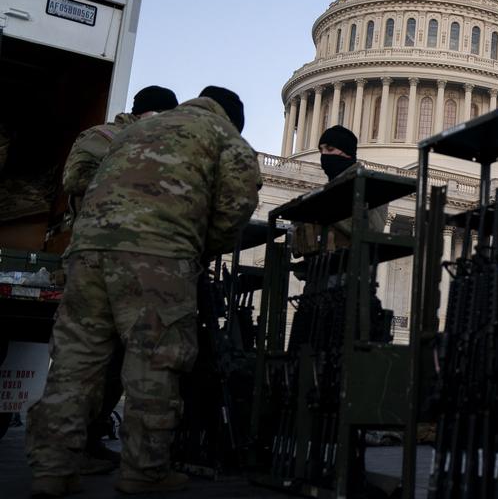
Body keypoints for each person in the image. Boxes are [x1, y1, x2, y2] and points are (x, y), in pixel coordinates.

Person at [25, 87, 261, 497]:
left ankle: (52, 470)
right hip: (155, 256)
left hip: (87, 253)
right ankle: (144, 471)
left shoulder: (136, 130)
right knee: (154, 362)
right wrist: (202, 247)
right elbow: (234, 209)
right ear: (232, 117)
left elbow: (86, 183)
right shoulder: (226, 138)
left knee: (74, 364)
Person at [59, 85, 179, 476]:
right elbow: (74, 181)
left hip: (135, 265)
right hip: (94, 258)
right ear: (150, 112)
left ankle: (89, 442)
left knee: (118, 363)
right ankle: (65, 451)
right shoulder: (102, 138)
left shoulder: (159, 147)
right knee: (83, 360)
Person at [291, 125, 389, 256]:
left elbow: (372, 229)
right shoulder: (328, 189)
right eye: (321, 150)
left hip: (351, 267)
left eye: (330, 149)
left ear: (347, 152)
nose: (324, 155)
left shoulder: (371, 184)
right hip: (320, 268)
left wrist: (320, 209)